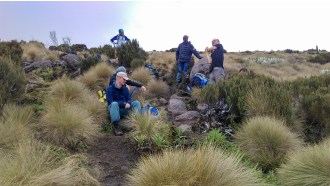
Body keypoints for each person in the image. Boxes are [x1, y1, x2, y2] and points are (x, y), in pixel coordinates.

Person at [106, 71, 142, 135]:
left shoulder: (125, 88)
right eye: (124, 79)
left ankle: (137, 122)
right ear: (119, 78)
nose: (125, 81)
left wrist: (128, 103)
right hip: (115, 110)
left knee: (136, 103)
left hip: (125, 109)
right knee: (114, 104)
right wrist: (123, 104)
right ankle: (116, 127)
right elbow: (110, 102)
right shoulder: (110, 89)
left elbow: (129, 98)